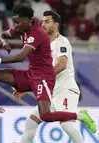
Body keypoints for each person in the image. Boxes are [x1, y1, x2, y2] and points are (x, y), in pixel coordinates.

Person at [0, 5, 96, 134]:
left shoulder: (37, 34)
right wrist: (4, 42)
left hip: (43, 78)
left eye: (17, 22)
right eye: (14, 22)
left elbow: (20, 57)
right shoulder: (22, 27)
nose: (15, 26)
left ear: (27, 21)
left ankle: (81, 116)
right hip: (31, 75)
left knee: (45, 116)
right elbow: (2, 34)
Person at [17, 10, 84, 143]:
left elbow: (62, 64)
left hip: (66, 90)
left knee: (67, 125)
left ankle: (82, 119)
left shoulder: (62, 41)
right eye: (42, 22)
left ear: (56, 25)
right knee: (31, 122)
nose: (43, 24)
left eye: (47, 22)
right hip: (52, 94)